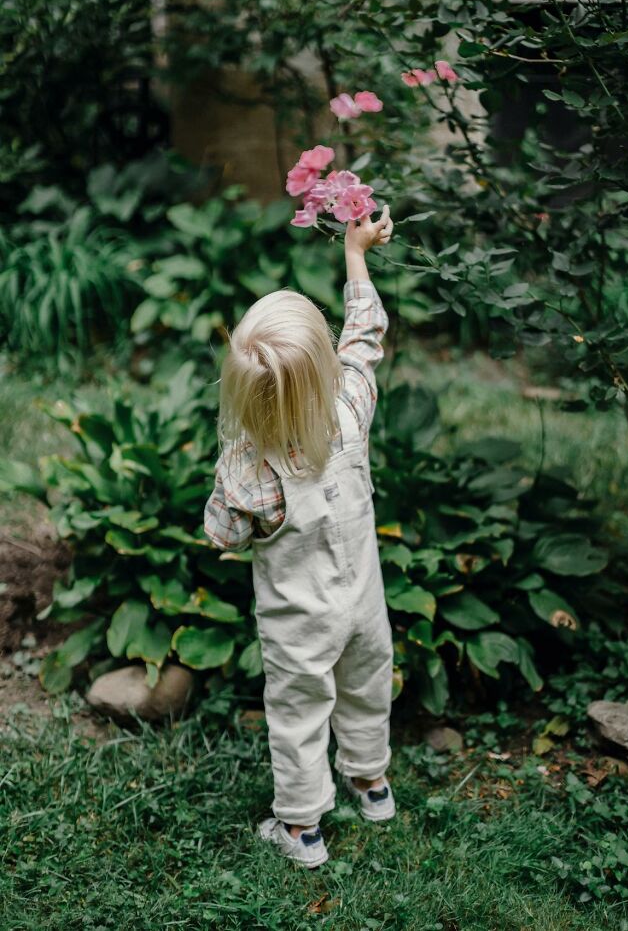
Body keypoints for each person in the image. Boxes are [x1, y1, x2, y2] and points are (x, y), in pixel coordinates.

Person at [204, 205, 396, 869]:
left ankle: (302, 828)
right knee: (369, 685)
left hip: (300, 625)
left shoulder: (248, 470)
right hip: (365, 607)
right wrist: (355, 255)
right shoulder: (350, 408)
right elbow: (365, 336)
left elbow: (221, 534)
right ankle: (372, 783)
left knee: (299, 713)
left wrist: (234, 461)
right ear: (323, 371)